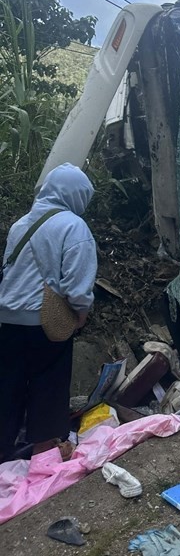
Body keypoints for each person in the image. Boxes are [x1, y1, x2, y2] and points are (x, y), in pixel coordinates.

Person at [0, 163, 97, 463]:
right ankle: (43, 451)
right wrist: (80, 314)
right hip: (45, 321)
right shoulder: (73, 226)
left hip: (8, 318)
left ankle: (4, 453)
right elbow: (77, 285)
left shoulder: (21, 224)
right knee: (48, 383)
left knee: (7, 384)